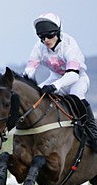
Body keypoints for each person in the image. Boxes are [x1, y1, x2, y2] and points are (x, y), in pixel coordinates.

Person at [24, 12, 97, 148]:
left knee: (76, 96)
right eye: (42, 37)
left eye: (49, 36)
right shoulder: (39, 47)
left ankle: (93, 133)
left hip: (76, 79)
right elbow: (30, 70)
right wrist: (29, 86)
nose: (46, 40)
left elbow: (73, 74)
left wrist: (54, 86)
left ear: (58, 32)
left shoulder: (69, 44)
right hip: (55, 77)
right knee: (37, 96)